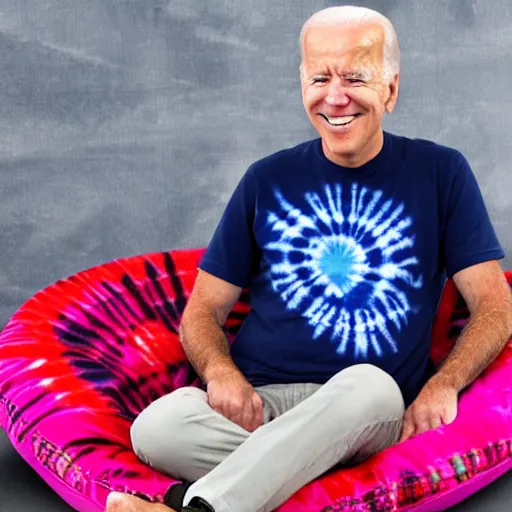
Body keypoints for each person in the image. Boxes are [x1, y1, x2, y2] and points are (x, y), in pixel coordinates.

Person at [106, 5, 512, 512]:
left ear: (391, 89)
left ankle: (198, 506)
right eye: (319, 76)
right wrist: (221, 374)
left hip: (367, 410)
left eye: (356, 77)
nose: (335, 96)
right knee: (157, 428)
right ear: (302, 85)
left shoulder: (441, 173)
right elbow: (203, 309)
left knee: (370, 386)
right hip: (261, 404)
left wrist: (443, 384)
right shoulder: (265, 179)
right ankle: (296, 479)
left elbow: (496, 304)